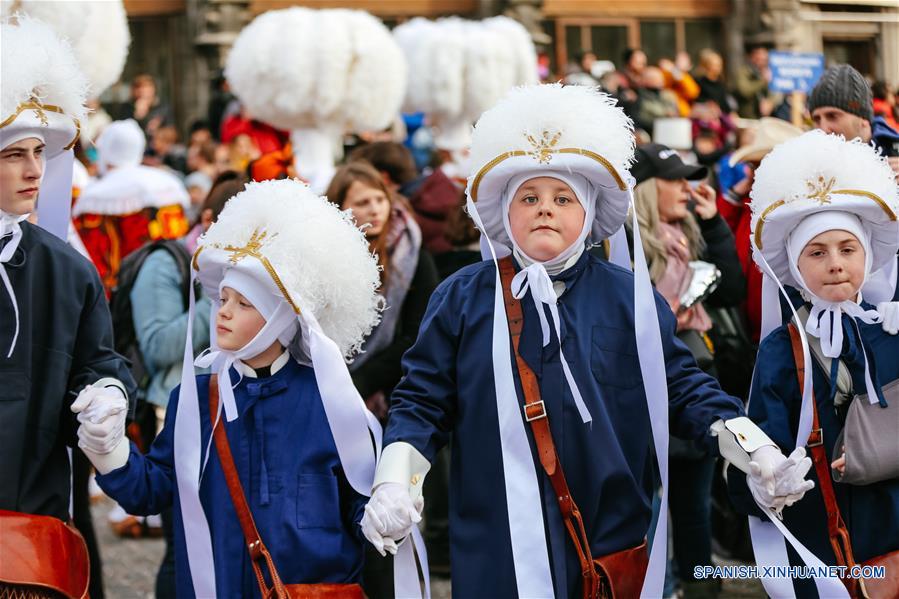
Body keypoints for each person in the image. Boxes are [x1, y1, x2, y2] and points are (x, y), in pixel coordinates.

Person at [360, 84, 813, 598]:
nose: (544, 210)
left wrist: (754, 450)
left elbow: (682, 387)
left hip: (609, 541)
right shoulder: (462, 297)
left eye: (562, 198)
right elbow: (421, 401)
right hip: (496, 546)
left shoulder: (629, 298)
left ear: (590, 211)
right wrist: (395, 479)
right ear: (505, 211)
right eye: (528, 197)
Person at [78, 179, 383, 597]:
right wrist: (108, 449)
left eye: (244, 304)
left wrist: (385, 510)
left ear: (279, 319)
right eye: (222, 299)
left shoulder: (330, 402)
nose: (222, 313)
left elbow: (357, 508)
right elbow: (152, 490)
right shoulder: (196, 400)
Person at [727, 130, 899, 598]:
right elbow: (758, 449)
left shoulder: (890, 331)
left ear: (868, 254)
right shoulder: (783, 350)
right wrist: (765, 482)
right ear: (796, 267)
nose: (836, 263)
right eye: (817, 253)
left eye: (848, 249)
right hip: (821, 543)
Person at [0, 16, 135, 597]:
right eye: (13, 154)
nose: (35, 170)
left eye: (40, 152)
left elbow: (97, 359)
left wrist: (107, 391)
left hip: (33, 520)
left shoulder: (66, 267)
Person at [325, 161, 439, 419]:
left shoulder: (412, 255)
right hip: (329, 381)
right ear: (339, 207)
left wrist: (359, 383)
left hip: (395, 395)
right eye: (363, 203)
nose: (375, 210)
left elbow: (417, 335)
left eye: (380, 199)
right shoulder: (326, 258)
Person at [73, 119, 190, 293]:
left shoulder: (96, 196)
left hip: (124, 291)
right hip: (178, 276)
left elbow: (93, 256)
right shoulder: (167, 182)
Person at [716, 118, 804, 342]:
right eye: (753, 166)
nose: (752, 172)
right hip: (752, 326)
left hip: (785, 331)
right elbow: (721, 229)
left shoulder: (798, 209)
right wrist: (734, 196)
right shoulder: (751, 200)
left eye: (758, 165)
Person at [809, 64, 899, 177]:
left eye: (832, 116)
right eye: (816, 119)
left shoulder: (895, 153)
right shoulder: (810, 163)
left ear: (863, 118)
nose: (823, 128)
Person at [733, 45, 780, 119]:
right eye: (759, 59)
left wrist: (771, 102)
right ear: (752, 58)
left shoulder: (769, 72)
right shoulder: (744, 72)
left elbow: (777, 91)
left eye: (765, 60)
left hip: (767, 118)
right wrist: (762, 81)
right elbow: (744, 91)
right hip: (749, 117)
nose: (762, 63)